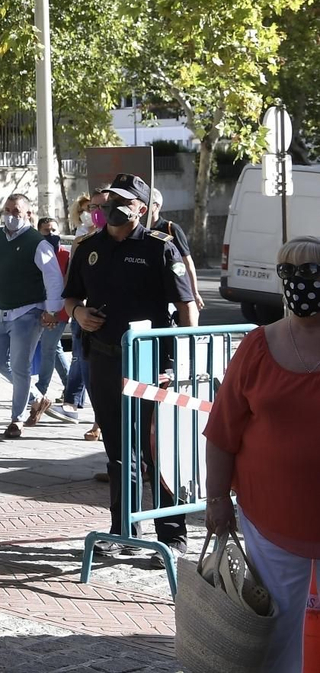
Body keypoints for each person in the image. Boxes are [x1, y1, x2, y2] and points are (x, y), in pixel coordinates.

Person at [62, 174, 198, 562]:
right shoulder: (89, 246)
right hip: (105, 359)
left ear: (141, 208)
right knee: (119, 449)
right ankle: (123, 529)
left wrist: (185, 359)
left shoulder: (160, 247)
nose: (112, 207)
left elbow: (186, 305)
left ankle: (172, 535)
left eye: (123, 201)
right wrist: (78, 313)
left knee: (158, 449)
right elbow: (70, 296)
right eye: (110, 200)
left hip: (152, 363)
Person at [204, 236, 320, 673]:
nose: (298, 282)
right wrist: (217, 499)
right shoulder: (256, 347)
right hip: (271, 517)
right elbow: (222, 431)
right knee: (276, 628)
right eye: (288, 272)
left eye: (310, 272)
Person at [0, 193, 65, 438]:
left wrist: (51, 310)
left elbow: (53, 278)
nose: (10, 215)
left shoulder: (37, 242)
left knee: (20, 367)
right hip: (1, 310)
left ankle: (17, 419)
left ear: (28, 214)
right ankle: (37, 397)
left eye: (16, 211)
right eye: (7, 210)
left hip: (28, 312)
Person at [37, 216, 86, 423]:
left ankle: (40, 390)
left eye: (54, 230)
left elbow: (69, 287)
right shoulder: (38, 254)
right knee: (54, 349)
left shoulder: (66, 255)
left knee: (48, 348)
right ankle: (69, 387)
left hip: (62, 311)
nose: (51, 234)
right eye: (46, 231)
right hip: (43, 310)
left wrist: (57, 313)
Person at [147, 188, 205, 310]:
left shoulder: (171, 229)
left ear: (156, 206)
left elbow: (187, 262)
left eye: (146, 202)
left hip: (170, 291)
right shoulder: (136, 229)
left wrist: (194, 293)